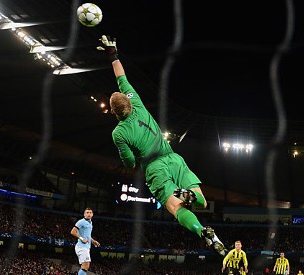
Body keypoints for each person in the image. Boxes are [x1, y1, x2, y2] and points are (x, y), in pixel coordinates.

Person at [97, 35, 226, 256]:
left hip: (155, 168)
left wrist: (132, 155)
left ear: (114, 112)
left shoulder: (119, 132)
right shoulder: (136, 101)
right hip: (174, 158)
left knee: (176, 208)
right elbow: (121, 76)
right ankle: (189, 195)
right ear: (129, 102)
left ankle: (201, 231)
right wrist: (113, 54)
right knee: (202, 201)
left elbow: (128, 162)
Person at [70, 207, 100, 275]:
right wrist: (81, 238)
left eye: (90, 212)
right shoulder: (81, 221)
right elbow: (73, 232)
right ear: (84, 214)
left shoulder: (90, 223)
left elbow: (87, 235)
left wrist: (93, 241)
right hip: (81, 246)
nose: (89, 214)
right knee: (85, 265)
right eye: (87, 212)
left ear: (92, 214)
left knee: (86, 266)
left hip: (86, 247)